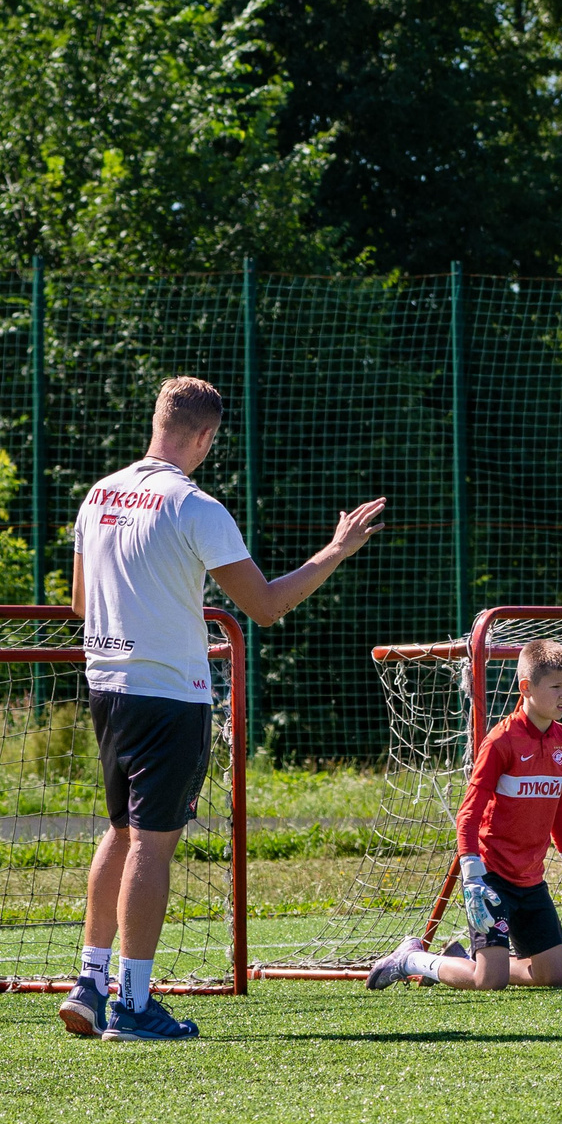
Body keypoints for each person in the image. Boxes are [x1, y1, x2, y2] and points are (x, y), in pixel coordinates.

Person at [59, 377, 385, 1041]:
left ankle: (90, 982)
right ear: (206, 437)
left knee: (120, 830)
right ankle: (133, 1002)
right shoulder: (195, 506)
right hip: (169, 695)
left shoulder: (97, 496)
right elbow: (265, 606)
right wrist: (335, 550)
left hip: (105, 686)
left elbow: (80, 605)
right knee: (153, 842)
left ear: (157, 419)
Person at [365, 638, 562, 992]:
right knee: (489, 982)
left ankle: (470, 956)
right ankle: (411, 959)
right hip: (491, 878)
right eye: (556, 687)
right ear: (526, 688)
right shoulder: (501, 741)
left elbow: (559, 813)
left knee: (554, 977)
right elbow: (469, 813)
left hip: (531, 879)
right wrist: (473, 875)